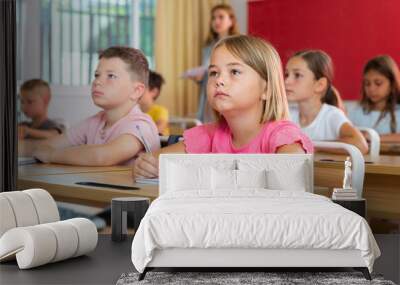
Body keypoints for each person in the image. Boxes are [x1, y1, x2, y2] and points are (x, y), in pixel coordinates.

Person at [132, 35, 314, 179]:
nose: (219, 80)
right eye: (213, 73)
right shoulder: (209, 134)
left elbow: (292, 174)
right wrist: (147, 165)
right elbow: (157, 159)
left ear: (266, 89)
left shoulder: (282, 136)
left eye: (234, 71)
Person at [19, 46, 160, 166]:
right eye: (97, 75)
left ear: (136, 91)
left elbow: (102, 156)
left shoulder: (140, 125)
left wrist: (51, 155)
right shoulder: (95, 122)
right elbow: (47, 145)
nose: (97, 82)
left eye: (111, 76)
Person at [285, 50, 368, 154]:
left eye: (297, 75)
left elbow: (360, 145)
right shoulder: (287, 114)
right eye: (287, 74)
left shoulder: (331, 115)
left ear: (320, 84)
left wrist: (312, 145)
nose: (286, 81)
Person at [189, 4, 240, 123]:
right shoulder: (208, 47)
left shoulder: (238, 46)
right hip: (209, 95)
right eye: (213, 18)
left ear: (231, 20)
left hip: (229, 92)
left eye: (221, 17)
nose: (216, 21)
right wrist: (199, 78)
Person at [348, 55, 400, 142]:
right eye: (367, 84)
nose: (371, 89)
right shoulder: (356, 112)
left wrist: (373, 137)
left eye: (378, 83)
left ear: (392, 84)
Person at [138, 70, 169, 135]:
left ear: (154, 92)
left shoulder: (160, 111)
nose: (137, 92)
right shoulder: (133, 111)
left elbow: (159, 127)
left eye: (141, 89)